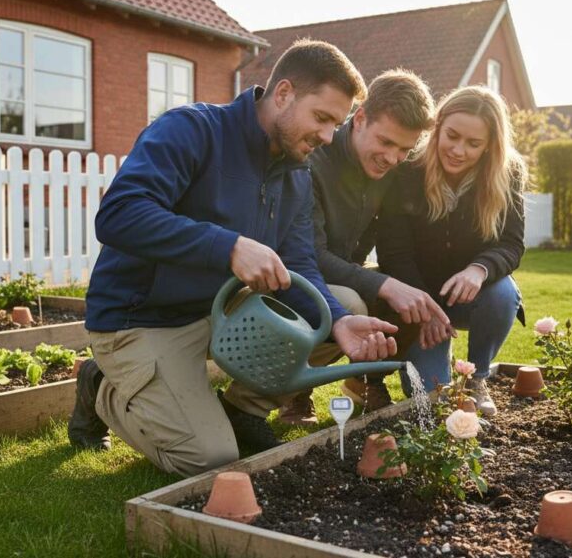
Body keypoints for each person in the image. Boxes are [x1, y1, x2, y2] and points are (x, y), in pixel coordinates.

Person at [69, 39, 399, 477]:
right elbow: (118, 214)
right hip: (142, 318)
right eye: (321, 118)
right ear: (283, 94)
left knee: (342, 308)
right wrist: (228, 246)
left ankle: (242, 411)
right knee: (209, 459)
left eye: (335, 125)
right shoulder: (191, 130)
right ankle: (102, 388)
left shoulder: (297, 174)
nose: (326, 136)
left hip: (221, 310)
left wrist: (337, 320)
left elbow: (298, 262)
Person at [269, 69, 453, 426]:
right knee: (352, 299)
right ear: (361, 118)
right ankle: (294, 393)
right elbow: (312, 256)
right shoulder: (312, 161)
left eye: (404, 148)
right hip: (294, 277)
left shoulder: (394, 173)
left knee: (406, 295)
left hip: (347, 272)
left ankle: (364, 379)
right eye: (385, 142)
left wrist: (409, 290)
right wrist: (384, 285)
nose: (393, 157)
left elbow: (396, 245)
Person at [377, 86, 527, 417]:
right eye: (452, 136)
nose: (458, 150)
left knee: (503, 293)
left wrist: (479, 269)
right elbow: (393, 252)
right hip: (417, 300)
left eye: (473, 144)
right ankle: (433, 367)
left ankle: (476, 377)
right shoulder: (407, 171)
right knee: (435, 403)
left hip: (473, 298)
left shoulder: (507, 174)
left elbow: (512, 243)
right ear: (438, 126)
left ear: (489, 146)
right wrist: (424, 309)